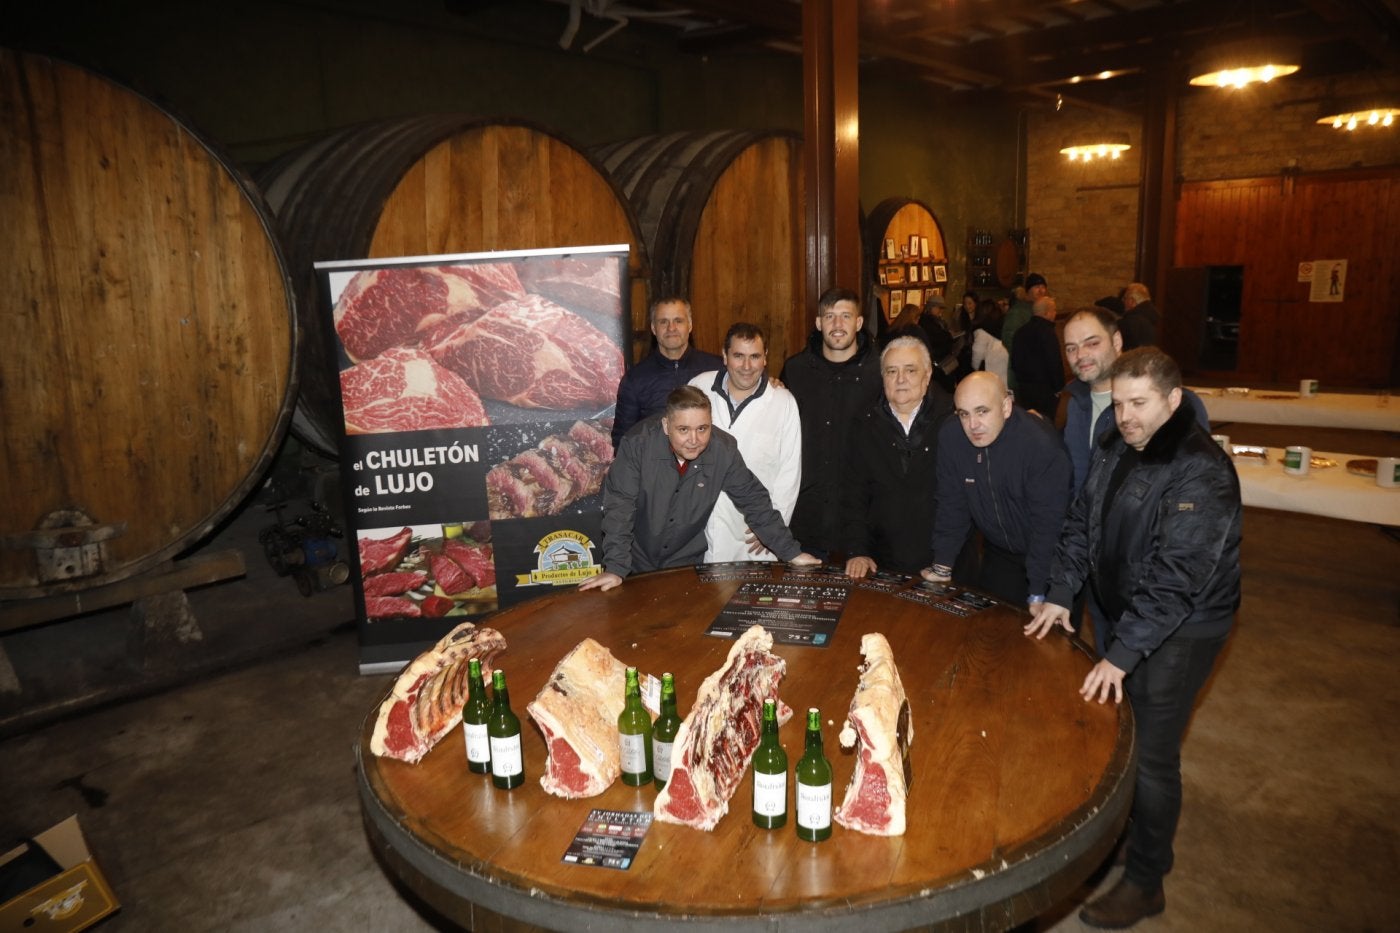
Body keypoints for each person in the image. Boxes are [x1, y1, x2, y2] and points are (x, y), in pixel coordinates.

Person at [1026, 347, 1241, 930]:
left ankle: (1147, 880)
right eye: (1119, 404)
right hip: (1128, 613)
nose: (1126, 417)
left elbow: (1177, 577)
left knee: (1150, 755)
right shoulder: (1116, 443)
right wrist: (1060, 592)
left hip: (1186, 627)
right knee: (1120, 737)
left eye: (1140, 404)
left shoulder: (1201, 469)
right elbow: (1082, 523)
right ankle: (1124, 840)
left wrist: (1121, 656)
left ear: (1174, 400)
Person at [581, 387, 818, 592]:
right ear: (666, 425)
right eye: (683, 429)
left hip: (686, 566)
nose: (694, 439)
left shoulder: (723, 450)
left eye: (703, 428)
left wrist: (791, 553)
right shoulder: (637, 445)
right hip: (636, 563)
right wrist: (616, 568)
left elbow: (754, 500)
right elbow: (619, 509)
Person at [921, 372, 1070, 605]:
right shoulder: (952, 436)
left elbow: (1048, 525)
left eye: (982, 411)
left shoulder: (1040, 445)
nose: (973, 425)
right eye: (964, 414)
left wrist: (1038, 591)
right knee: (991, 621)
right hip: (999, 551)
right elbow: (952, 503)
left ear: (1006, 407)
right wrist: (942, 564)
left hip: (1053, 555)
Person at [780, 287, 883, 559]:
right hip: (806, 518)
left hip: (864, 522)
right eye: (830, 316)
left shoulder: (880, 372)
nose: (837, 324)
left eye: (846, 316)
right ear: (818, 323)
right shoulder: (795, 370)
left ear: (858, 323)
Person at [841, 336, 954, 578]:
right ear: (882, 378)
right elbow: (853, 494)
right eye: (892, 371)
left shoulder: (953, 420)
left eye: (910, 370)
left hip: (947, 560)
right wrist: (857, 550)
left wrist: (946, 560)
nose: (900, 379)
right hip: (883, 561)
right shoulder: (863, 424)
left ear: (927, 375)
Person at [688, 323, 801, 562]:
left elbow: (790, 472)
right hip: (699, 528)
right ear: (724, 355)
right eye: (739, 356)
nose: (747, 366)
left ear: (765, 358)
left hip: (753, 534)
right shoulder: (699, 386)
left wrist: (773, 530)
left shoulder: (783, 402)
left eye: (755, 356)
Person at [611, 297, 723, 449]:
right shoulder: (635, 378)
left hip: (709, 461)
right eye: (663, 322)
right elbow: (623, 440)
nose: (671, 328)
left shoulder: (716, 369)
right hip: (654, 462)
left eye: (678, 321)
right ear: (653, 328)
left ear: (690, 325)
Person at [1010, 294, 1063, 418]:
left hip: (1024, 390)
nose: (1055, 313)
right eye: (1054, 310)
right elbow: (1054, 361)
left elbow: (1015, 362)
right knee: (1047, 423)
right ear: (1047, 313)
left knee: (1031, 422)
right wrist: (1059, 388)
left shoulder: (1020, 332)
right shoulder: (1047, 332)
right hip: (1046, 391)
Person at [1000, 271, 1047, 364]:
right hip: (1023, 366)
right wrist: (1026, 358)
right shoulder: (1018, 311)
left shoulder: (1043, 310)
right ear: (1028, 290)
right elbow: (1008, 338)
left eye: (1043, 287)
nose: (1041, 290)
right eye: (1037, 287)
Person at [968, 298, 1009, 382]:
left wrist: (974, 369)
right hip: (1004, 371)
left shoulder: (981, 330)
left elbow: (977, 353)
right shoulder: (1003, 325)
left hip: (989, 373)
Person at [1118, 282, 1160, 351]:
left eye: (1125, 298)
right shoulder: (1152, 318)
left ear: (1132, 301)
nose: (1122, 300)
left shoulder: (1129, 322)